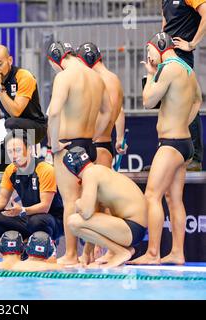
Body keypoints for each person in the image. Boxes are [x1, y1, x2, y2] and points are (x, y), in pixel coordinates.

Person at [128, 32, 202, 265]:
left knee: (152, 195)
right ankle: (178, 253)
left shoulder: (167, 68)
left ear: (159, 46)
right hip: (184, 143)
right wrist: (183, 122)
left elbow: (148, 101)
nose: (149, 58)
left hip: (170, 144)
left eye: (149, 53)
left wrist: (150, 74)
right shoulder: (188, 70)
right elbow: (198, 100)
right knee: (173, 199)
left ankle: (152, 254)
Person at [46, 40, 112, 265]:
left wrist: (54, 144)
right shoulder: (96, 77)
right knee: (90, 201)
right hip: (88, 145)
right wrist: (94, 135)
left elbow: (54, 112)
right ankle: (90, 253)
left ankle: (72, 254)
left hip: (67, 146)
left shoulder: (63, 77)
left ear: (55, 60)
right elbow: (108, 112)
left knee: (71, 202)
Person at [0, 131, 64, 242]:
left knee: (37, 220)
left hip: (53, 220)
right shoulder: (11, 170)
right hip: (28, 216)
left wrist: (22, 210)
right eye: (10, 151)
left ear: (29, 149)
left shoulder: (45, 169)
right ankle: (22, 244)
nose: (14, 155)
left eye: (18, 150)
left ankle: (46, 247)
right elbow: (1, 201)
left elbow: (45, 207)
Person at [61, 147, 148, 268]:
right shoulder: (98, 171)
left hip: (131, 228)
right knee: (78, 220)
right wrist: (86, 253)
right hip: (134, 229)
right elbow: (92, 220)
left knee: (73, 221)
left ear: (72, 170)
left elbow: (86, 213)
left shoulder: (90, 174)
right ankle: (121, 250)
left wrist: (77, 202)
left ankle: (121, 252)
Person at [0, 45, 48, 171]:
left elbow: (16, 112)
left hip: (36, 127)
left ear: (10, 61)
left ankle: (29, 163)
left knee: (11, 122)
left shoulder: (24, 76)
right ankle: (13, 171)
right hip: (10, 130)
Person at [162, 0, 206, 171]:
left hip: (182, 55)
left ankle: (195, 158)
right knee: (168, 107)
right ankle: (167, 157)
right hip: (167, 55)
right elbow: (165, 25)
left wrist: (192, 44)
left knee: (187, 105)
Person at [76, 42, 127, 167]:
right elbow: (118, 110)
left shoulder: (100, 80)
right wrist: (120, 138)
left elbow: (107, 114)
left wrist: (91, 139)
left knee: (95, 186)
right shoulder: (113, 78)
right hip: (103, 144)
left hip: (97, 146)